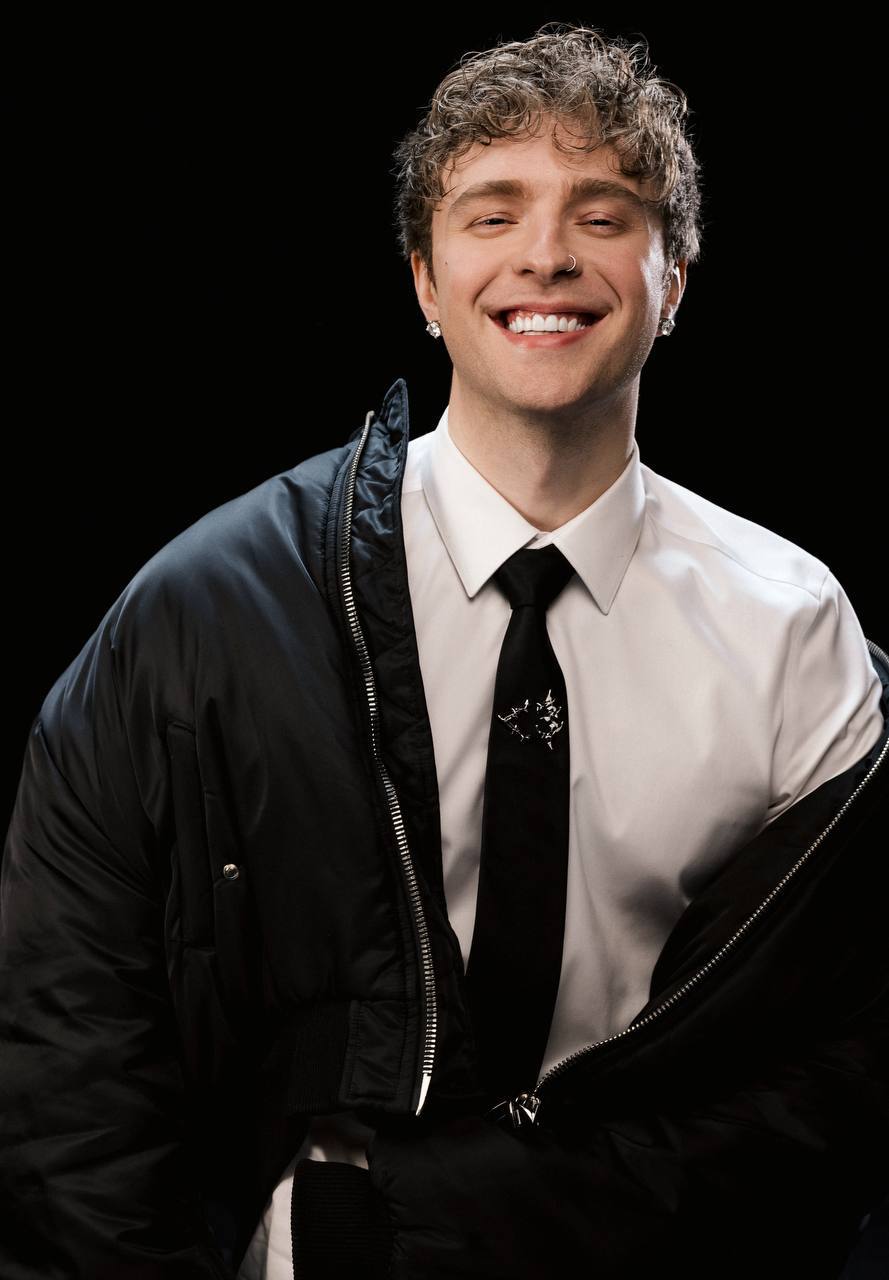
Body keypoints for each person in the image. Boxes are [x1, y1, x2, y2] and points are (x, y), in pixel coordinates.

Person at [1, 21, 887, 1280]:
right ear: (424, 281)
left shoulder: (794, 628)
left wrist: (478, 1213)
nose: (545, 254)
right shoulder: (213, 605)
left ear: (674, 278)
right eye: (492, 214)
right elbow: (67, 1026)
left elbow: (844, 1057)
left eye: (602, 215)